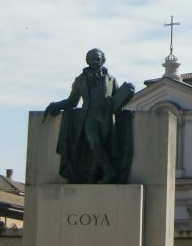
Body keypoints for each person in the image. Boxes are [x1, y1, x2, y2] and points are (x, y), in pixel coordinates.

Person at [45, 48, 135, 184]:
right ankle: (109, 171)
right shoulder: (80, 80)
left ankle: (93, 176)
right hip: (89, 117)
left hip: (106, 117)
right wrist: (55, 106)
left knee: (100, 148)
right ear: (88, 61)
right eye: (92, 58)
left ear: (102, 60)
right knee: (94, 143)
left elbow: (117, 101)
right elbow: (72, 101)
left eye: (98, 58)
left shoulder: (111, 79)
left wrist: (127, 97)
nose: (95, 61)